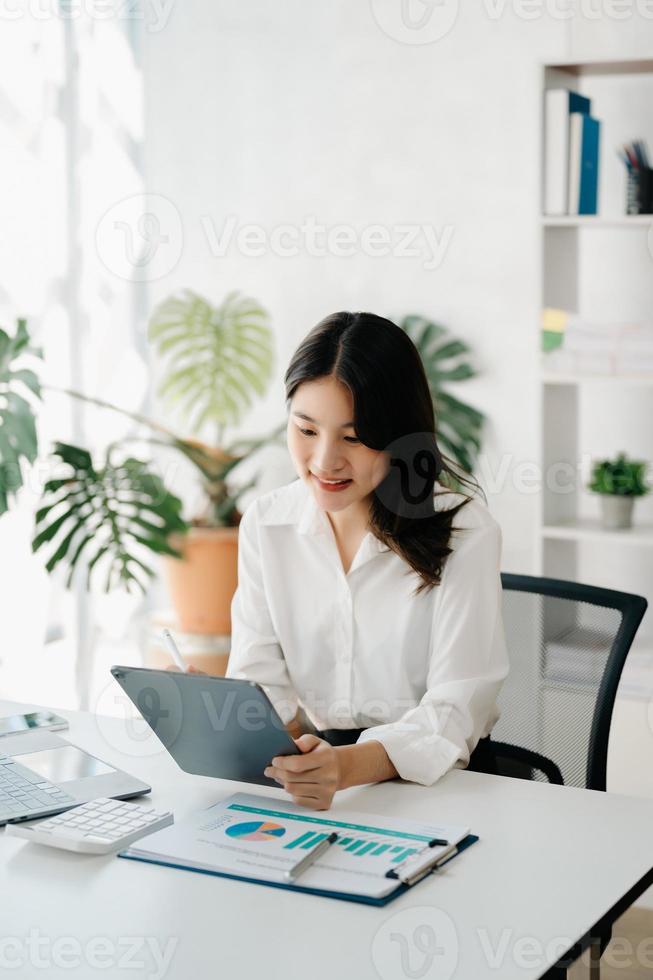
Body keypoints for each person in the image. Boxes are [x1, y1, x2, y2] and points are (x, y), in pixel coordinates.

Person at [225, 310, 509, 810]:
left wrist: (348, 766)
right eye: (306, 430)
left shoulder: (466, 531)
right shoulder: (267, 524)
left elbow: (456, 709)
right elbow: (260, 682)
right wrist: (250, 726)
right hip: (319, 788)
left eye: (353, 438)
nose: (324, 461)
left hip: (437, 788)